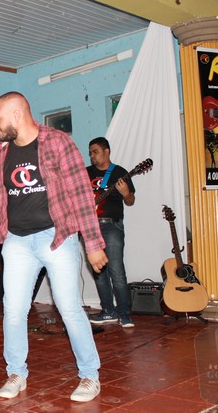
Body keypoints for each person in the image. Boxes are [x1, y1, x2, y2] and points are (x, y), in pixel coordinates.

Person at [0, 92, 108, 403]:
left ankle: (90, 376)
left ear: (16, 115)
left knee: (69, 307)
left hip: (57, 237)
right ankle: (16, 372)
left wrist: (93, 244)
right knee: (13, 310)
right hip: (16, 241)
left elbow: (81, 195)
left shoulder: (57, 142)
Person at [86, 137, 135, 328]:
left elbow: (130, 201)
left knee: (116, 270)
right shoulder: (86, 173)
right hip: (91, 227)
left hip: (111, 226)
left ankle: (124, 313)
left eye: (95, 151)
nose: (92, 155)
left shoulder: (120, 173)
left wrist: (126, 193)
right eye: (90, 152)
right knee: (99, 271)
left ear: (107, 151)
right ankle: (107, 310)